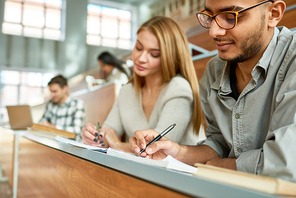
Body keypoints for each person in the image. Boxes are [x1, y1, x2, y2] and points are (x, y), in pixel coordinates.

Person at [130, 0, 296, 182]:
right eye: (210, 17)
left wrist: (226, 165)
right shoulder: (214, 71)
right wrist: (178, 152)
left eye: (230, 17)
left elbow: (286, 162)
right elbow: (219, 144)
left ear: (273, 13)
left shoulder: (292, 62)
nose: (213, 32)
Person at [81, 16, 206, 152]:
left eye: (154, 54)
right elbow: (109, 131)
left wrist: (117, 145)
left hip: (180, 171)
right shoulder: (127, 90)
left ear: (170, 57)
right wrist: (95, 136)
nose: (140, 59)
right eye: (139, 48)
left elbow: (158, 149)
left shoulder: (179, 89)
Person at [39, 75, 85, 141]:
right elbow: (42, 121)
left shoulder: (77, 104)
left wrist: (53, 127)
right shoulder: (50, 103)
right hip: (52, 142)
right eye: (51, 92)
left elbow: (77, 130)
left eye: (55, 91)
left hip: (70, 145)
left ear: (64, 89)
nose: (52, 95)